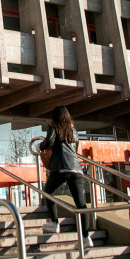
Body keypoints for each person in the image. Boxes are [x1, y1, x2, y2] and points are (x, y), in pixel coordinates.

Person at [39, 105, 93, 248]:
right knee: (81, 204)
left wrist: (41, 146)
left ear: (55, 116)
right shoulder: (73, 130)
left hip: (61, 168)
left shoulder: (54, 126)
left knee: (48, 193)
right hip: (76, 169)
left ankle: (54, 223)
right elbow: (75, 148)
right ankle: (86, 238)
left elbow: (49, 141)